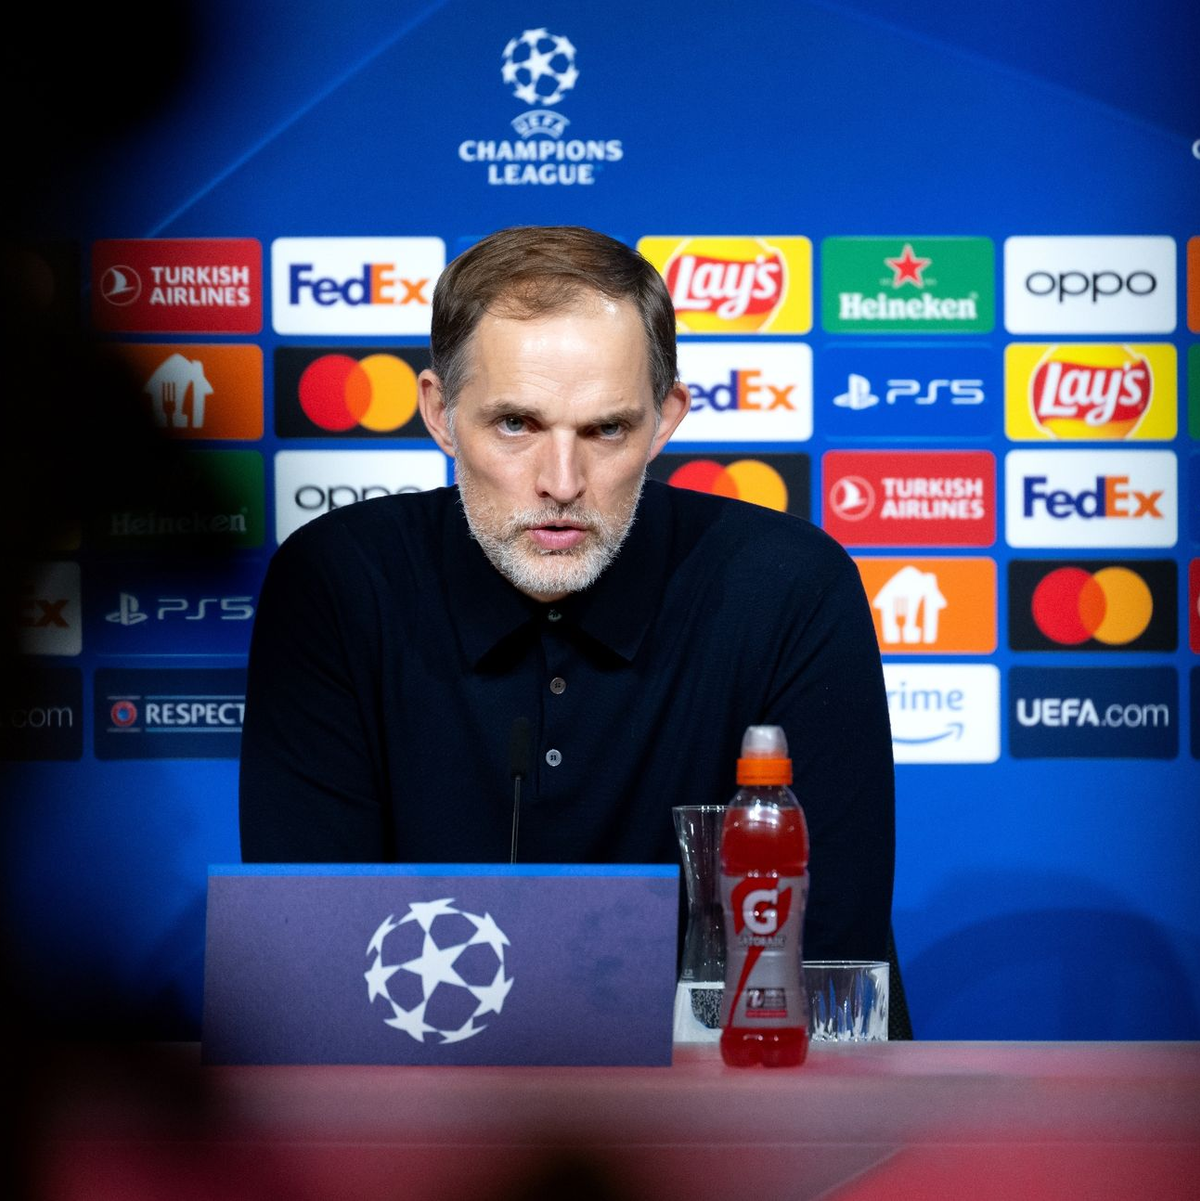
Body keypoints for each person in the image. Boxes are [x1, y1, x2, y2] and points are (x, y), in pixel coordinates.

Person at [239, 225, 894, 961]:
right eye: (515, 424)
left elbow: (830, 960)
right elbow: (310, 962)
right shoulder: (338, 582)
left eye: (606, 429)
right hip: (423, 1069)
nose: (561, 481)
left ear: (665, 420)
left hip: (728, 1075)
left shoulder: (792, 588)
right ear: (438, 412)